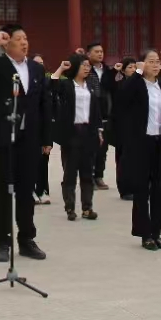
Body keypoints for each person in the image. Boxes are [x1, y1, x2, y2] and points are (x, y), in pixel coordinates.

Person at [0, 25, 52, 262]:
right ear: (7, 44)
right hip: (3, 137)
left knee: (26, 190)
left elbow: (44, 104)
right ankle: (2, 241)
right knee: (3, 190)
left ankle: (27, 239)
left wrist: (46, 138)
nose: (24, 42)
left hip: (29, 139)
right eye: (18, 39)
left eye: (25, 38)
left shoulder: (36, 68)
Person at [115, 50, 161, 250]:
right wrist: (136, 73)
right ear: (142, 64)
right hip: (142, 144)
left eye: (157, 61)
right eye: (150, 61)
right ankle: (145, 234)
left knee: (159, 190)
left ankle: (157, 233)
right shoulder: (136, 85)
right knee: (142, 190)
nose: (155, 65)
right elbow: (122, 97)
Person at [50, 54, 104, 221]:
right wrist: (61, 68)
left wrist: (99, 130)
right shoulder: (67, 85)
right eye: (84, 65)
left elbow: (96, 110)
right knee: (70, 172)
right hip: (71, 133)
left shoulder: (91, 86)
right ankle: (70, 207)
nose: (87, 68)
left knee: (87, 172)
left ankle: (87, 208)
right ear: (75, 67)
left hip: (89, 132)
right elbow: (52, 84)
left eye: (88, 66)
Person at [84, 43, 112, 192]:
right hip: (89, 114)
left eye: (101, 51)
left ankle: (99, 176)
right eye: (96, 51)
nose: (100, 54)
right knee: (90, 148)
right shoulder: (85, 70)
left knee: (103, 149)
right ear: (88, 54)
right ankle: (88, 177)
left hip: (105, 114)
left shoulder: (108, 71)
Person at [109, 57, 136, 200]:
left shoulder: (142, 84)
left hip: (137, 127)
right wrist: (114, 70)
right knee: (123, 159)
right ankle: (125, 189)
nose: (133, 69)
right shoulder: (119, 85)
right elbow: (106, 84)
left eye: (135, 67)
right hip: (122, 127)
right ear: (124, 71)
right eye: (130, 67)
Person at [31, 54, 53, 205]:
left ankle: (43, 189)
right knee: (29, 161)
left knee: (43, 160)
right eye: (36, 63)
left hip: (42, 128)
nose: (39, 66)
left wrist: (48, 140)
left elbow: (47, 113)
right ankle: (30, 189)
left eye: (41, 63)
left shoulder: (46, 84)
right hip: (28, 129)